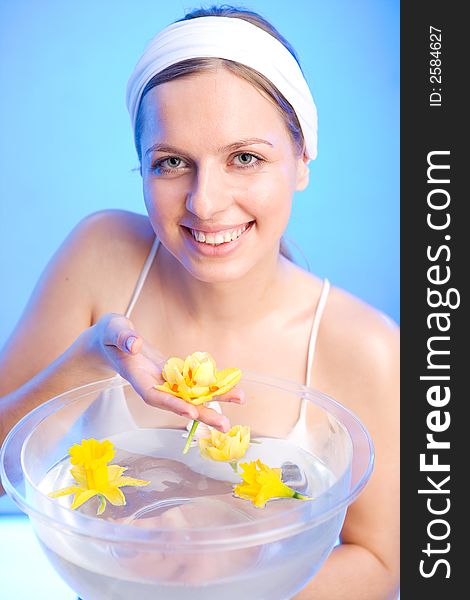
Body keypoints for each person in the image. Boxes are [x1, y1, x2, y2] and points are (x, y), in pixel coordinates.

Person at [0, 5, 399, 598]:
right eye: (172, 163)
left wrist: (217, 587)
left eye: (245, 157)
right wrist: (91, 357)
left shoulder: (367, 348)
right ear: (141, 168)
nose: (205, 203)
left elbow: (386, 565)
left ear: (302, 161)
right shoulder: (99, 255)